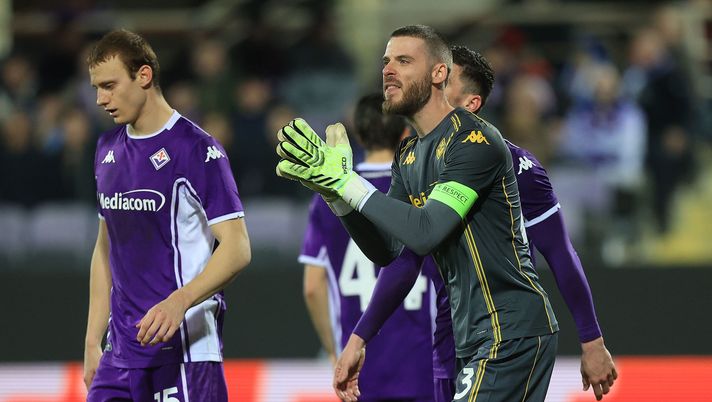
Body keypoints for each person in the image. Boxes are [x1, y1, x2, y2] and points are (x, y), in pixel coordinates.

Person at [276, 25, 559, 402]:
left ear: (439, 74)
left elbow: (426, 231)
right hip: (471, 335)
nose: (388, 69)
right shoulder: (409, 156)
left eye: (404, 60)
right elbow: (390, 252)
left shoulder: (474, 141)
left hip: (510, 330)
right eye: (386, 61)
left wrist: (349, 183)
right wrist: (336, 197)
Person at [344, 44, 619, 402]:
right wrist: (359, 338)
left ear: (471, 103)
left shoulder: (517, 167)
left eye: (443, 77)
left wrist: (591, 339)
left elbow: (560, 253)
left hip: (506, 330)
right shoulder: (415, 159)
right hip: (452, 332)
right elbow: (404, 260)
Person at [83, 30, 251, 402]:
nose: (100, 99)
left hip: (185, 351)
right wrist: (93, 341)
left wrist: (180, 300)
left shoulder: (196, 149)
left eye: (109, 85)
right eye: (96, 88)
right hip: (120, 355)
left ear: (143, 76)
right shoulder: (106, 148)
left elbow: (237, 248)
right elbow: (104, 248)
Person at [300, 93, 436, 401]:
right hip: (423, 363)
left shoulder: (328, 192)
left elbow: (312, 286)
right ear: (405, 133)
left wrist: (336, 353)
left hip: (358, 365)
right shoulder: (423, 187)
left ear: (358, 136)